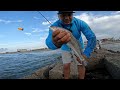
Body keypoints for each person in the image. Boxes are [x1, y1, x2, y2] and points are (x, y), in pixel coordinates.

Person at [46, 11, 96, 79]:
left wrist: (86, 54)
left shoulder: (80, 23)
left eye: (69, 14)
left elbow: (92, 37)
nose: (66, 18)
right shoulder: (54, 25)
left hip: (78, 46)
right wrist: (54, 43)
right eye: (63, 15)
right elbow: (48, 42)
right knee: (66, 65)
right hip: (65, 48)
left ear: (72, 15)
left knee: (81, 63)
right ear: (58, 16)